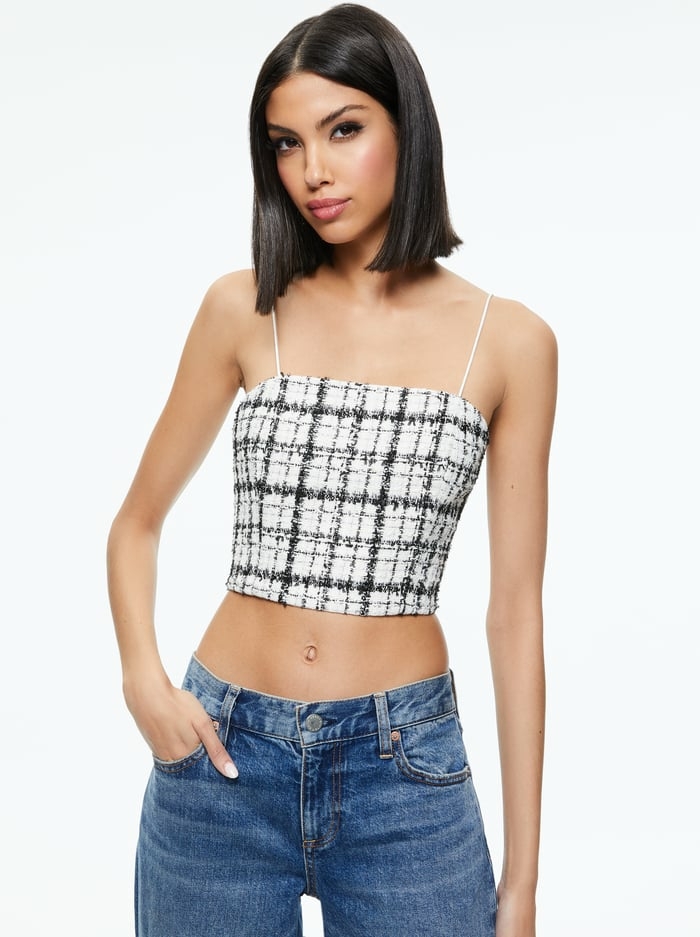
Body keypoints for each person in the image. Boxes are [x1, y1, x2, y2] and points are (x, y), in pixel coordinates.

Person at [107, 4, 557, 936]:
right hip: (221, 764)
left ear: (407, 126)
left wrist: (520, 884)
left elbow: (515, 613)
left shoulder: (510, 340)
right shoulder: (245, 307)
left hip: (406, 778)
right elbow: (135, 522)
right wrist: (143, 680)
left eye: (343, 129)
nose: (312, 169)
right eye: (286, 143)